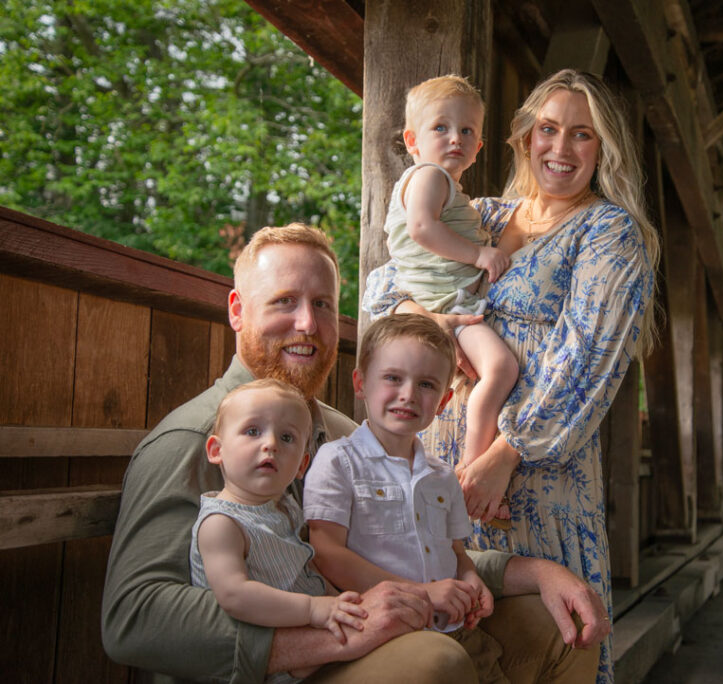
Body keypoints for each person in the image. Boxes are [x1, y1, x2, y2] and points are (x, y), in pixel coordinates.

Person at [102, 222, 609, 684]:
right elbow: (134, 617)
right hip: (275, 668)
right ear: (237, 310)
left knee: (557, 627)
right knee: (436, 661)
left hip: (356, 637)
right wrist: (332, 636)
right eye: (284, 301)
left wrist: (535, 571)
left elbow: (412, 546)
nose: (307, 323)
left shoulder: (342, 433)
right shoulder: (191, 440)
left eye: (323, 304)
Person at [365, 69, 659, 683]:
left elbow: (586, 363)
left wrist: (506, 452)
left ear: (603, 149)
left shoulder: (608, 233)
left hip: (529, 483)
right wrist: (429, 318)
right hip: (434, 466)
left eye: (582, 135)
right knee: (446, 649)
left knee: (542, 647)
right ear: (524, 137)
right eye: (547, 129)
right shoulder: (483, 216)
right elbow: (385, 284)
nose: (560, 148)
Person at [305, 314, 507, 683]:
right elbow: (326, 553)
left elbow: (457, 553)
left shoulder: (443, 476)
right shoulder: (338, 461)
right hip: (381, 635)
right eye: (393, 378)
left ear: (444, 401)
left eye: (426, 384)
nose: (408, 394)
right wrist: (423, 593)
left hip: (456, 630)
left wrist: (471, 580)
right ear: (360, 383)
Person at [385, 76, 518, 521]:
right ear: (412, 140)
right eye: (440, 127)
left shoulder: (450, 189)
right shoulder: (429, 176)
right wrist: (479, 252)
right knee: (500, 369)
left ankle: (463, 477)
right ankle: (473, 469)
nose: (455, 138)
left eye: (467, 131)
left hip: (447, 302)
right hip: (449, 306)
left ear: (479, 146)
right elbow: (422, 229)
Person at [189, 378, 369, 684]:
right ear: (217, 450)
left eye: (287, 438)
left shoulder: (284, 508)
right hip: (266, 658)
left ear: (302, 465)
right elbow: (234, 595)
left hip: (309, 628)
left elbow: (302, 565)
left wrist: (336, 601)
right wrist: (313, 609)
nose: (270, 443)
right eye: (252, 431)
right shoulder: (221, 523)